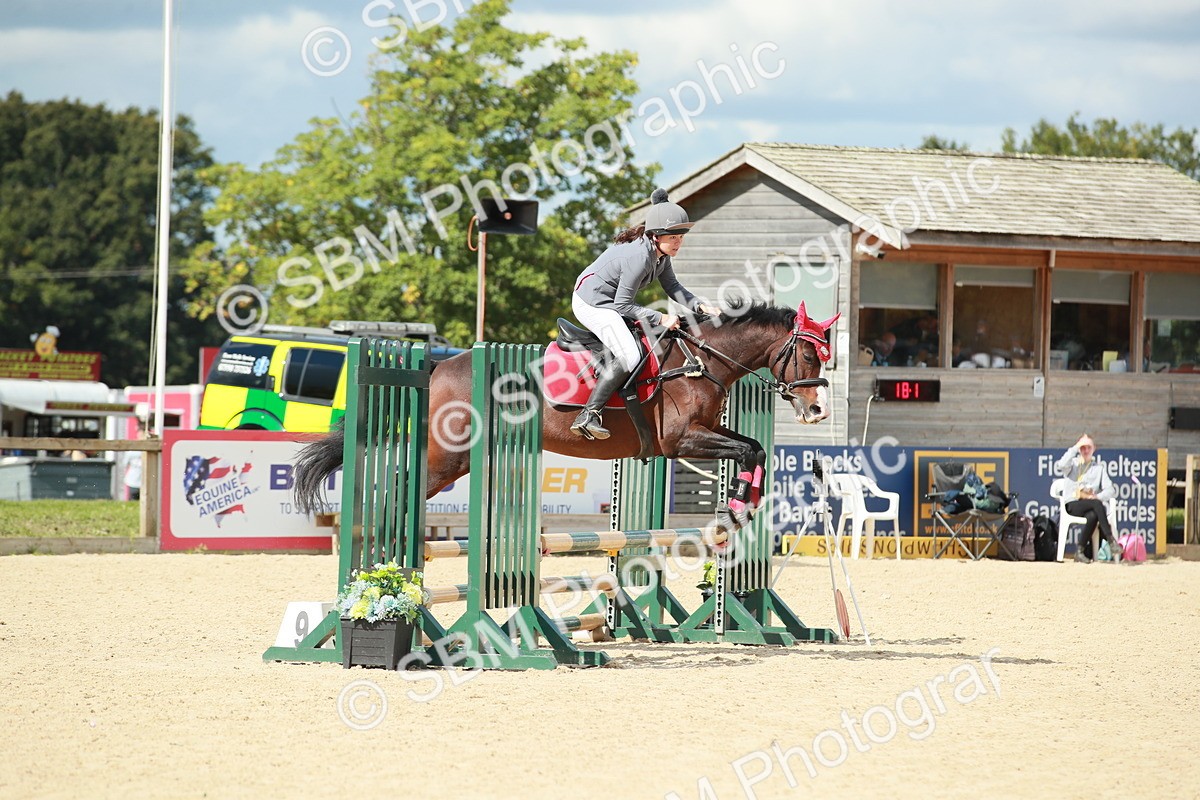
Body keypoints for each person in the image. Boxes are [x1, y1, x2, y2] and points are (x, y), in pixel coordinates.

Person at [570, 188, 720, 440]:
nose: (678, 242)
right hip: (592, 302)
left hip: (610, 302)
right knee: (630, 354)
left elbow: (673, 287)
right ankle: (589, 414)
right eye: (673, 237)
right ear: (656, 235)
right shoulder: (639, 257)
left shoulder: (660, 256)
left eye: (681, 237)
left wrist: (700, 306)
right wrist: (661, 317)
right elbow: (622, 305)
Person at [1055, 433, 1120, 563]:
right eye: (1083, 447)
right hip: (1073, 504)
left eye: (1088, 447)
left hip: (1089, 505)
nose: (1085, 450)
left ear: (1094, 449)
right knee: (1097, 504)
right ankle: (1111, 540)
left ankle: (1079, 551)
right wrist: (1076, 447)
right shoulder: (1072, 464)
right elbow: (1060, 465)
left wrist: (1097, 496)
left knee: (1093, 515)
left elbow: (1111, 490)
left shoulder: (1099, 469)